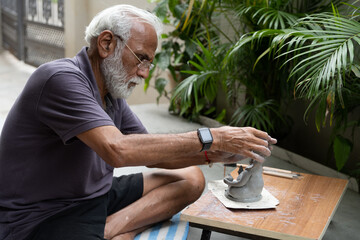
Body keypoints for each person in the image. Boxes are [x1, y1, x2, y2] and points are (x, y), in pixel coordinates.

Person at [0, 4, 277, 240]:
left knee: (192, 178)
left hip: (92, 197)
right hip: (41, 216)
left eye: (149, 63)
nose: (144, 73)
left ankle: (113, 228)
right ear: (106, 43)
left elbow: (155, 156)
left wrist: (219, 154)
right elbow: (118, 150)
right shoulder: (60, 78)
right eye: (140, 59)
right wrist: (213, 137)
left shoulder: (110, 91)